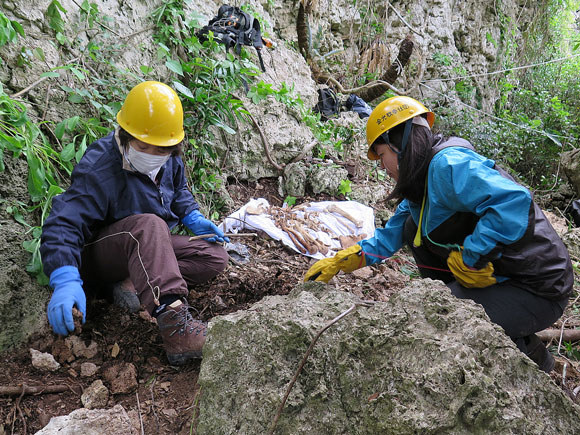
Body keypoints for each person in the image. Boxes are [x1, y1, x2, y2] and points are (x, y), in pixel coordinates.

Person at [304, 95, 573, 373]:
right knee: (412, 229)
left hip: (539, 286)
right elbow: (392, 234)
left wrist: (472, 256)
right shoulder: (420, 183)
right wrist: (347, 259)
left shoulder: (447, 165)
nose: (382, 167)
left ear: (399, 143)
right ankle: (512, 334)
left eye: (381, 156)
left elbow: (513, 201)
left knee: (445, 318)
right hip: (504, 276)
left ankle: (529, 365)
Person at [40, 81, 230, 365]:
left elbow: (178, 190)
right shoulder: (101, 165)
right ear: (127, 135)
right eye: (144, 147)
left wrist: (193, 216)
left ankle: (132, 285)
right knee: (151, 226)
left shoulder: (169, 156)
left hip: (146, 246)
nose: (153, 155)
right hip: (104, 253)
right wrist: (65, 278)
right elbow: (64, 221)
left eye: (162, 149)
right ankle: (175, 325)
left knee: (213, 256)